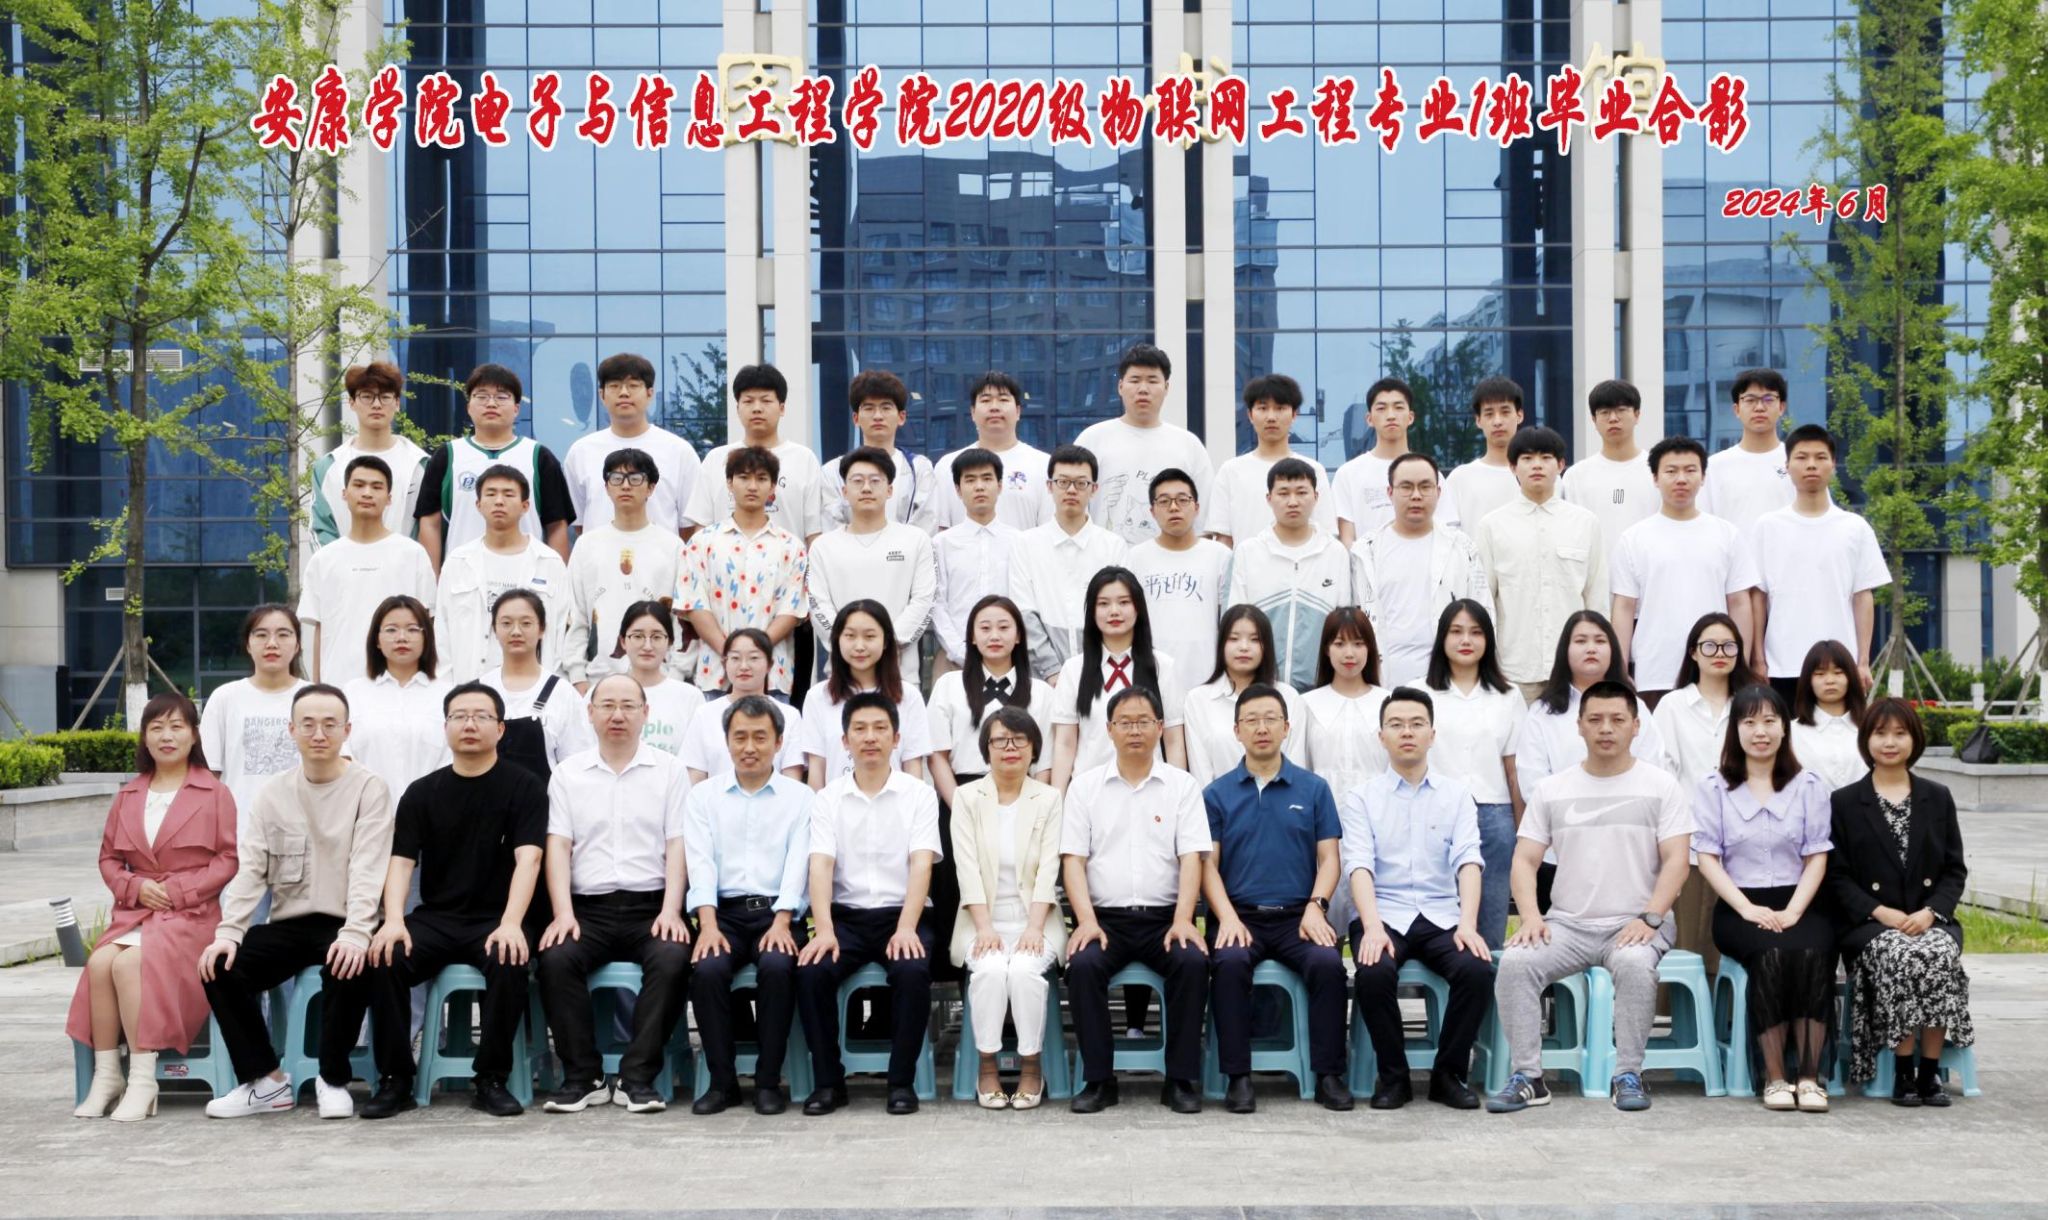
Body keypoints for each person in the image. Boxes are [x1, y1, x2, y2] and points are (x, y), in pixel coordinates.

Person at [1487, 681, 1691, 1114]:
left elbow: (1677, 860)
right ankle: (1528, 1077)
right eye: (1595, 719)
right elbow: (1524, 860)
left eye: (1617, 719)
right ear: (1579, 726)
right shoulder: (1553, 789)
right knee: (1516, 964)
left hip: (1637, 923)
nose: (1606, 728)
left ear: (1636, 725)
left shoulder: (1661, 786)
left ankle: (1628, 1074)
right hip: (1568, 925)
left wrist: (1651, 917)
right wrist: (1531, 917)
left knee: (1634, 965)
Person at [197, 684, 394, 1119]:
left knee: (351, 963)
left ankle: (333, 1078)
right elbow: (252, 869)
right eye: (308, 724)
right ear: (291, 730)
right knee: (221, 967)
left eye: (329, 724)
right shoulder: (273, 792)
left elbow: (368, 867)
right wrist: (229, 933)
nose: (318, 734)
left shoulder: (369, 788)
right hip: (291, 922)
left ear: (346, 730)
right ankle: (266, 1081)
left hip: (347, 920)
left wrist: (357, 933)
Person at [360, 681, 548, 1119]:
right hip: (438, 918)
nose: (470, 724)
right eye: (459, 716)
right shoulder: (421, 792)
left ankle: (491, 1078)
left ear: (500, 728)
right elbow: (401, 863)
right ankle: (395, 1079)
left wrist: (511, 923)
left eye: (481, 716)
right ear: (445, 727)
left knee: (508, 957)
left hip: (497, 917)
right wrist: (393, 920)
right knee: (385, 957)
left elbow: (530, 859)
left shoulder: (525, 786)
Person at [69, 693, 238, 1122]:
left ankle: (144, 1080)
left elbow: (228, 858)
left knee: (129, 964)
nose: (167, 736)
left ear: (194, 735)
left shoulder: (214, 792)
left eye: (177, 726)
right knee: (100, 962)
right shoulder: (128, 795)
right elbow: (109, 859)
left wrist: (180, 891)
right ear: (144, 737)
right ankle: (108, 1074)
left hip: (191, 916)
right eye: (157, 727)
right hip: (138, 911)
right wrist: (135, 886)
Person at [536, 674, 694, 1115]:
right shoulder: (568, 774)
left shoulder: (670, 770)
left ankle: (636, 1078)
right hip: (588, 911)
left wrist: (672, 910)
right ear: (590, 713)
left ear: (646, 713)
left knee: (672, 958)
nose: (617, 715)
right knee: (556, 959)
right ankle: (582, 1077)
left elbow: (677, 844)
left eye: (628, 706)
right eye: (606, 705)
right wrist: (563, 913)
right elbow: (558, 846)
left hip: (651, 907)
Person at [1342, 686, 1496, 1110]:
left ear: (1432, 734)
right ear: (1382, 737)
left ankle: (1448, 1074)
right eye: (1396, 725)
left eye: (1416, 724)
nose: (1406, 732)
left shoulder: (1456, 795)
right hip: (1384, 914)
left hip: (1442, 914)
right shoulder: (1361, 798)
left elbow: (1469, 861)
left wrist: (1468, 924)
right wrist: (1372, 927)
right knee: (1373, 971)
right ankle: (1394, 1078)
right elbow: (1359, 866)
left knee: (1476, 970)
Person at [1202, 683, 1352, 1113]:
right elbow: (1207, 865)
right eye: (1251, 720)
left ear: (1287, 727)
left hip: (1297, 917)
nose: (1261, 728)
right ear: (1237, 731)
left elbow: (1330, 858)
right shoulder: (1216, 793)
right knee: (1230, 964)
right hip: (1239, 915)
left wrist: (1316, 907)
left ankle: (1328, 1075)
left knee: (1327, 964)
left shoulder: (1313, 789)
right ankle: (1238, 1078)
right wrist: (1227, 917)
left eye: (1271, 719)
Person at [1061, 686, 1211, 1114]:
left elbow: (1192, 858)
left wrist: (1184, 919)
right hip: (1104, 920)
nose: (1135, 731)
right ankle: (1099, 1080)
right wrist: (1086, 921)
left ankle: (1179, 1079)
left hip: (1165, 919)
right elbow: (1073, 861)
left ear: (1160, 727)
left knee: (1192, 962)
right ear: (1109, 729)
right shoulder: (1084, 788)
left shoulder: (1182, 786)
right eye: (1125, 722)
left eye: (1144, 721)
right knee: (1083, 966)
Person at [794, 693, 944, 1117]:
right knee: (811, 971)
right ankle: (829, 1083)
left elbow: (921, 864)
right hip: (846, 919)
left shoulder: (919, 795)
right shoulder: (828, 798)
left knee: (911, 970)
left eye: (880, 728)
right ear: (845, 741)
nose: (870, 737)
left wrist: (907, 927)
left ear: (896, 738)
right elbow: (820, 866)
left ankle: (901, 1082)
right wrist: (824, 930)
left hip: (904, 914)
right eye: (859, 729)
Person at [1691, 684, 1838, 1113]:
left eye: (1770, 721)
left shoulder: (1808, 785)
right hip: (1739, 905)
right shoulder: (1713, 787)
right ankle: (1774, 1077)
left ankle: (1809, 1078)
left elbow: (1817, 856)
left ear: (1784, 728)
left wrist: (1794, 910)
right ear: (1735, 730)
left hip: (1801, 901)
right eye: (1750, 722)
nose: (1761, 731)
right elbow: (1708, 858)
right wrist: (1747, 908)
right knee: (1772, 952)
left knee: (1810, 951)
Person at [1826, 698, 1974, 1105]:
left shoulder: (1937, 796)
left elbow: (1954, 870)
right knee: (1902, 955)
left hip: (1930, 919)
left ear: (1915, 740)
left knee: (1937, 953)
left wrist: (1930, 913)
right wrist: (1881, 913)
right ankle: (1903, 1072)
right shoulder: (1844, 801)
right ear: (1866, 740)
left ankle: (1930, 1073)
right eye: (1880, 733)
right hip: (1870, 925)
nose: (1889, 742)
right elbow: (1837, 876)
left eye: (1899, 733)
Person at [683, 695, 814, 1116]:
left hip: (779, 913)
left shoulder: (801, 798)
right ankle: (722, 1084)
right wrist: (707, 925)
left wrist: (782, 920)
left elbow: (799, 864)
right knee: (707, 970)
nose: (750, 747)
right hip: (723, 915)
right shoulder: (703, 797)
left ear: (778, 743)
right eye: (740, 737)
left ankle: (767, 1081)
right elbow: (699, 863)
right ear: (727, 741)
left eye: (760, 737)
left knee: (777, 966)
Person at [950, 707, 1067, 1110]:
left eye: (1020, 739)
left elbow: (1049, 868)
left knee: (1022, 971)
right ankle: (987, 1068)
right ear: (987, 749)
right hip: (980, 922)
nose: (1010, 747)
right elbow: (966, 868)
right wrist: (985, 928)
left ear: (1034, 748)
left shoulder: (1048, 798)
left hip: (1037, 921)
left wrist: (1034, 927)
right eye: (1000, 740)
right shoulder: (967, 798)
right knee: (989, 970)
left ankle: (1032, 1068)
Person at [1611, 436, 1758, 701]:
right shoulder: (1633, 539)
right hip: (1655, 670)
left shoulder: (1727, 535)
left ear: (1703, 477)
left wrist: (1741, 663)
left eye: (1690, 470)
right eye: (1671, 471)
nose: (1681, 479)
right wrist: (1619, 667)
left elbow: (1739, 602)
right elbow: (1624, 607)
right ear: (1655, 478)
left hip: (1716, 668)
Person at [1749, 425, 1888, 696]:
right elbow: (1758, 597)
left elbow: (1863, 596)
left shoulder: (1855, 528)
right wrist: (1758, 659)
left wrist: (1862, 661)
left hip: (1840, 667)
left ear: (1833, 465)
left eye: (1820, 457)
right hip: (1782, 665)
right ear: (1787, 466)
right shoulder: (1768, 527)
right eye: (1802, 457)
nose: (1811, 465)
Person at [1475, 426, 1609, 698]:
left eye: (1546, 457)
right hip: (1513, 670)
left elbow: (1596, 599)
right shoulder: (1492, 526)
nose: (1537, 465)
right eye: (1527, 458)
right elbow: (1484, 601)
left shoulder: (1585, 523)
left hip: (1574, 669)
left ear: (1561, 465)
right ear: (1513, 467)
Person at [1423, 600, 1525, 948]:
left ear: (1488, 640)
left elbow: (1514, 769)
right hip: (1435, 813)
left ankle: (1490, 983)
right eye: (1456, 631)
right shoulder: (1420, 692)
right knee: (1439, 917)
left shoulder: (1509, 695)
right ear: (1442, 638)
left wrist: (1522, 830)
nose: (1466, 640)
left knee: (1491, 916)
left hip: (1494, 817)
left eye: (1476, 632)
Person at [415, 363, 574, 570]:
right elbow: (430, 523)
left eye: (501, 397)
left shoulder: (539, 457)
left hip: (526, 578)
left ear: (516, 408)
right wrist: (433, 581)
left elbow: (557, 524)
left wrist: (556, 578)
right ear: (468, 407)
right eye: (481, 396)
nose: (491, 404)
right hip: (463, 577)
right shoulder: (447, 456)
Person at [679, 445, 809, 693]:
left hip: (772, 675)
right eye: (743, 477)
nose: (752, 486)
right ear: (729, 483)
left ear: (773, 487)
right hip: (715, 673)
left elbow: (792, 610)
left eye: (761, 479)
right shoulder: (702, 543)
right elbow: (694, 604)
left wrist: (755, 655)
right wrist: (730, 654)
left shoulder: (792, 546)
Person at [1351, 453, 1489, 686]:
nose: (1416, 495)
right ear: (1390, 492)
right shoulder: (1366, 552)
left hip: (1448, 678)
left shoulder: (1463, 548)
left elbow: (1484, 612)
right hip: (1381, 678)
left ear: (1438, 492)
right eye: (1406, 487)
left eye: (1425, 487)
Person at [806, 446, 938, 689]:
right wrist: (849, 642)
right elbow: (818, 605)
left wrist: (887, 643)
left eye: (875, 481)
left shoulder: (916, 540)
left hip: (900, 676)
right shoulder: (823, 547)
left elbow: (924, 600)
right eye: (857, 481)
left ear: (890, 490)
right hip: (842, 677)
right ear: (844, 491)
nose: (866, 488)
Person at [299, 455, 436, 686]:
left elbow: (427, 624)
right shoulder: (324, 559)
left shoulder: (412, 554)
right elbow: (320, 630)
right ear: (344, 494)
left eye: (376, 487)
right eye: (359, 485)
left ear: (389, 498)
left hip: (399, 686)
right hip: (339, 687)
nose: (367, 493)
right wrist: (318, 689)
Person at [1049, 567, 1189, 791]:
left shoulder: (1162, 666)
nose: (1114, 611)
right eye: (1103, 604)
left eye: (1124, 602)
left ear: (1138, 608)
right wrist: (1059, 801)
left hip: (1150, 791)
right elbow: (1065, 744)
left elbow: (1173, 742)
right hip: (1090, 794)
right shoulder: (1074, 669)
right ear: (1092, 611)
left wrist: (1177, 794)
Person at [561, 447, 688, 691]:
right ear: (607, 487)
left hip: (660, 680)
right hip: (597, 680)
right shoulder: (587, 545)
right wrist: (578, 677)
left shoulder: (672, 546)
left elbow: (681, 621)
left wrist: (675, 678)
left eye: (635, 478)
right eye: (617, 478)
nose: (626, 486)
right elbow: (576, 615)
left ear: (651, 487)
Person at [434, 464, 571, 683]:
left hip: (533, 689)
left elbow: (561, 634)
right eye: (491, 494)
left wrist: (551, 688)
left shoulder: (550, 563)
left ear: (525, 506)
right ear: (478, 504)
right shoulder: (457, 562)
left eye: (508, 494)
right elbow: (442, 634)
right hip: (468, 687)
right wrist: (447, 690)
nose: (499, 501)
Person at [1226, 458, 1353, 689]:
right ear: (1269, 498)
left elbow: (1344, 625)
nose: (1293, 501)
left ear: (1316, 497)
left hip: (1320, 688)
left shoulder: (1335, 553)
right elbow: (1234, 624)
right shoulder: (1248, 552)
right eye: (1283, 493)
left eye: (1301, 492)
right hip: (1261, 687)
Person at [1515, 611, 1670, 797]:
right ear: (1565, 650)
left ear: (1612, 649)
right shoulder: (1543, 712)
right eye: (1581, 641)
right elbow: (1532, 781)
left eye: (1600, 641)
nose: (1591, 649)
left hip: (1630, 810)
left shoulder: (1635, 706)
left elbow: (1653, 766)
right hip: (1563, 811)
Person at [1008, 444, 1129, 679]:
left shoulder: (1113, 546)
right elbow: (1024, 612)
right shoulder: (1026, 544)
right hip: (1041, 677)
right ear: (1049, 486)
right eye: (1063, 482)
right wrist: (1052, 671)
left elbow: (1121, 612)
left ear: (1094, 489)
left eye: (1081, 483)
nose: (1071, 490)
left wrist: (1099, 670)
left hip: (1103, 674)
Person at [1075, 343, 1213, 543]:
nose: (1143, 389)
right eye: (1135, 380)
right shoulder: (1092, 439)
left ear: (1166, 388)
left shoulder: (1189, 446)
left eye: (1152, 380)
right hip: (1105, 558)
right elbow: (1071, 507)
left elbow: (1203, 522)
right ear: (1120, 386)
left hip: (1170, 560)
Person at [929, 596, 1056, 800]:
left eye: (1004, 628)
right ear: (972, 636)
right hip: (961, 795)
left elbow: (1045, 763)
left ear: (1018, 636)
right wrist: (959, 806)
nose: (994, 636)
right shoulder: (948, 685)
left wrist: (1031, 807)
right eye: (985, 628)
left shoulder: (1041, 692)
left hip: (1023, 796)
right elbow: (937, 756)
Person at [560, 352, 700, 536]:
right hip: (600, 553)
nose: (624, 393)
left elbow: (689, 525)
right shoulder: (581, 452)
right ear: (602, 395)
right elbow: (579, 523)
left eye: (633, 385)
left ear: (650, 393)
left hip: (661, 554)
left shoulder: (680, 451)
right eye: (614, 386)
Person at [683, 363, 824, 544]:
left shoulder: (804, 460)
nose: (757, 408)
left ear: (782, 408)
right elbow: (701, 530)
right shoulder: (716, 460)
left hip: (787, 560)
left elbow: (814, 532)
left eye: (766, 401)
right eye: (748, 401)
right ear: (737, 408)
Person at [199, 604, 311, 822]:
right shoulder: (225, 698)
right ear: (248, 645)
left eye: (283, 634)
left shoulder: (315, 698)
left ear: (297, 644)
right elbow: (209, 775)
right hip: (239, 829)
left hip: (304, 830)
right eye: (261, 635)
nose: (272, 643)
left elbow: (336, 768)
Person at [802, 601, 933, 783]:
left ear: (886, 641)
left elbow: (913, 767)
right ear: (837, 639)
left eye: (869, 636)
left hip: (895, 800)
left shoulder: (908, 696)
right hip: (836, 801)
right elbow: (816, 769)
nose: (859, 646)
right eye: (850, 636)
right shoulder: (818, 697)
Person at [1123, 468, 1233, 678]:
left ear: (1196, 507)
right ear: (1152, 511)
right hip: (1150, 674)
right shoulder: (1135, 558)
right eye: (1164, 501)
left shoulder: (1220, 556)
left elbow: (1229, 621)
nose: (1174, 507)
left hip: (1207, 675)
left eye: (1182, 500)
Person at [341, 595, 451, 803]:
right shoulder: (353, 693)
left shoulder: (447, 695)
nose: (402, 638)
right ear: (377, 640)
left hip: (431, 810)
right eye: (391, 630)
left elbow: (453, 757)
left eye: (412, 629)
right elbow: (342, 753)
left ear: (426, 637)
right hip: (367, 810)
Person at [1182, 604, 1307, 787]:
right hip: (1220, 803)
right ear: (1221, 644)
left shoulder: (1289, 697)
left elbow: (1295, 766)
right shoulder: (1198, 700)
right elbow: (1201, 772)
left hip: (1281, 801)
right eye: (1233, 639)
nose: (1244, 647)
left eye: (1255, 640)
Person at [479, 589, 595, 785]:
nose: (516, 631)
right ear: (494, 630)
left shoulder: (563, 694)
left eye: (526, 623)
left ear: (542, 629)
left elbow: (578, 768)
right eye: (506, 623)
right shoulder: (478, 690)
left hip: (544, 803)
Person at [311, 362, 429, 549]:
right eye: (367, 396)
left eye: (385, 397)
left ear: (397, 403)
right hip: (344, 566)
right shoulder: (328, 467)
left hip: (403, 565)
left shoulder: (420, 464)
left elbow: (430, 528)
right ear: (352, 402)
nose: (376, 404)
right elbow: (321, 529)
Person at [1211, 373, 1335, 545]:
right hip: (1246, 563)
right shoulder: (1230, 471)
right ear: (1250, 415)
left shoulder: (1313, 470)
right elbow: (1223, 539)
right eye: (1263, 408)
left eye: (1280, 408)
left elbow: (1325, 534)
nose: (1271, 417)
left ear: (1294, 414)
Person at [682, 629, 814, 784]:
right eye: (735, 658)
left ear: (769, 664)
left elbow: (792, 781)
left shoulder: (789, 716)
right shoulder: (704, 714)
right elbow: (695, 780)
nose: (744, 666)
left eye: (754, 658)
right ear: (724, 663)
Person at [930, 448, 1019, 677]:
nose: (979, 487)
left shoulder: (1020, 542)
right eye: (970, 480)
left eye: (987, 479)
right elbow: (936, 603)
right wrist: (959, 651)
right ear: (958, 490)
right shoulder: (941, 544)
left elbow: (1025, 601)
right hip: (953, 660)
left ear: (1000, 486)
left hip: (1011, 659)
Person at [820, 370, 938, 532]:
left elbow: (926, 526)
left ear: (901, 417)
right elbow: (832, 529)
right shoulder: (832, 472)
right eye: (869, 408)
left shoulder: (919, 469)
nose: (877, 416)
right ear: (856, 418)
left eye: (886, 408)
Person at [933, 370, 1050, 530]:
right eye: (986, 400)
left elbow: (1048, 532)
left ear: (1018, 411)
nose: (994, 407)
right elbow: (940, 531)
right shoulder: (947, 466)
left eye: (1003, 400)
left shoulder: (1044, 465)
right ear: (973, 412)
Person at [1652, 612, 1760, 786]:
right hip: (1686, 802)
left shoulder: (1753, 706)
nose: (1720, 653)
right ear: (1693, 653)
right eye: (1709, 646)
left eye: (1729, 646)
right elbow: (1661, 767)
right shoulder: (1671, 705)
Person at [1558, 378, 1658, 561]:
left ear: (1637, 415)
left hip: (1647, 573)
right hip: (1593, 575)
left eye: (1621, 410)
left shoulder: (1657, 472)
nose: (1613, 418)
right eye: (1604, 412)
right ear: (1594, 420)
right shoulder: (1575, 476)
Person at [1301, 607, 1392, 803]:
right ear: (1327, 649)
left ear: (1370, 648)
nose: (1349, 653)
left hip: (1378, 810)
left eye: (1358, 644)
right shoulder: (1307, 704)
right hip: (1321, 811)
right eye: (1339, 644)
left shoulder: (1388, 702)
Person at [1698, 367, 1796, 533]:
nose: (1759, 407)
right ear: (1736, 409)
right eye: (1750, 400)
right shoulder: (1714, 466)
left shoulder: (1798, 461)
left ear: (1781, 407)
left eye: (1768, 399)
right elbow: (1703, 525)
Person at [1332, 376, 1422, 546]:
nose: (1391, 416)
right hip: (1365, 563)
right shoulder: (1348, 474)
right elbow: (1346, 538)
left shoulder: (1428, 473)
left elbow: (1443, 531)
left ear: (1410, 417)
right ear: (1369, 419)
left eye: (1398, 407)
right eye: (1381, 408)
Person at [615, 601, 704, 756]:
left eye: (656, 637)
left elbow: (698, 759)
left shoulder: (690, 698)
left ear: (669, 642)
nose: (647, 646)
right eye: (638, 636)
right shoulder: (602, 693)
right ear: (623, 641)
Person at [1440, 375, 1527, 531]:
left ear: (1519, 415)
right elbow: (1449, 535)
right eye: (1489, 414)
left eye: (1505, 412)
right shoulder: (1460, 478)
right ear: (1478, 420)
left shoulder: (1540, 474)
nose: (1497, 421)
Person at [1790, 639, 1869, 791]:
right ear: (1808, 680)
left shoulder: (1870, 728)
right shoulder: (1792, 733)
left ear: (1850, 677)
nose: (1830, 681)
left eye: (1838, 673)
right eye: (1820, 674)